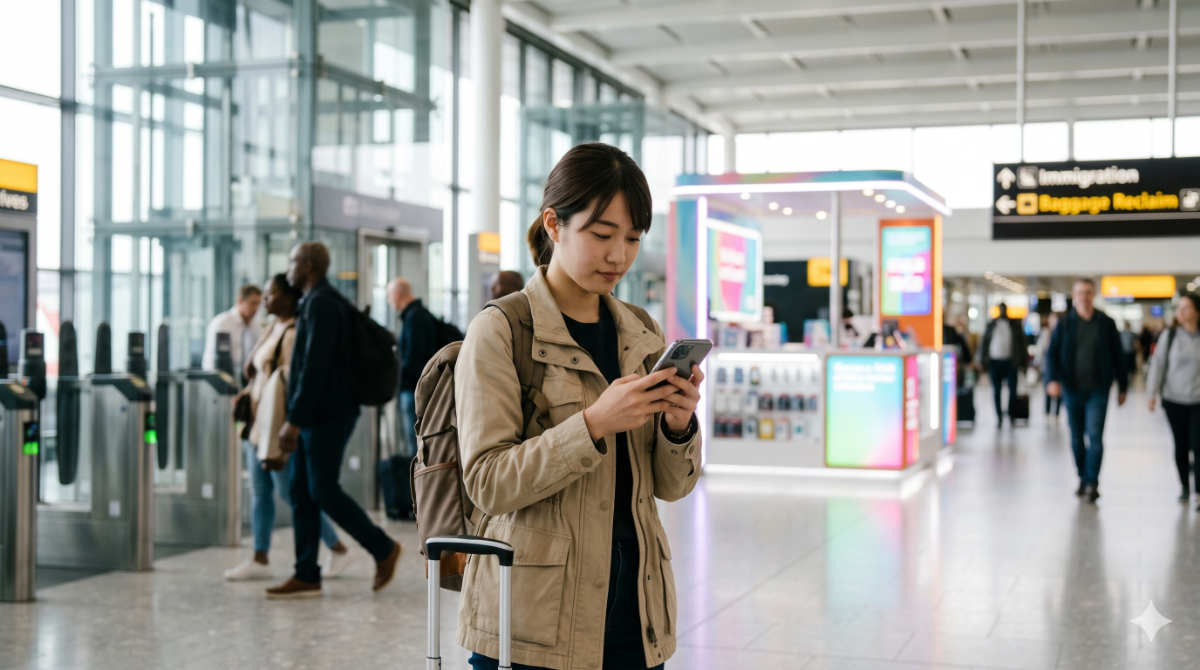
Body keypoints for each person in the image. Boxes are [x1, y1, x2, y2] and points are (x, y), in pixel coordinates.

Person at [454, 143, 703, 670]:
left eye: (633, 238)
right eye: (602, 234)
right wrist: (592, 425)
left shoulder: (641, 331)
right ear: (554, 224)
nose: (619, 256)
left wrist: (678, 427)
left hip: (637, 612)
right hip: (532, 622)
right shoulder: (501, 329)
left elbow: (671, 487)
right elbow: (487, 481)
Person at [266, 242, 401, 599]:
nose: (289, 267)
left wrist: (294, 419)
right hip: (318, 413)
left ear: (308, 266)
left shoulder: (322, 303)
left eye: (293, 261)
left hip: (327, 414)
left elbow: (315, 366)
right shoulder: (316, 301)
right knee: (301, 491)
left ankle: (383, 547)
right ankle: (307, 573)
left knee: (322, 488)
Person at [224, 274, 354, 581]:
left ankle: (337, 548)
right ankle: (260, 556)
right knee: (260, 490)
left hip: (276, 425)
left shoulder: (295, 332)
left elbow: (286, 383)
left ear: (287, 298)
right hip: (258, 423)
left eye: (270, 294)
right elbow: (259, 371)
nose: (264, 300)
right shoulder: (271, 327)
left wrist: (289, 425)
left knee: (289, 490)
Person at [1047, 278, 1129, 503]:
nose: (1084, 297)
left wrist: (1123, 386)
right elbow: (1051, 354)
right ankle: (1082, 477)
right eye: (1080, 293)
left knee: (1095, 436)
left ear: (1094, 295)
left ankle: (1092, 481)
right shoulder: (1065, 324)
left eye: (1088, 293)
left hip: (1098, 390)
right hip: (1071, 389)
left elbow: (1118, 356)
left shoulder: (1105, 323)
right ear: (1075, 296)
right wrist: (1051, 380)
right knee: (1076, 438)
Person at [1146, 293, 1200, 506]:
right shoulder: (1169, 336)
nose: (1181, 312)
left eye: (1186, 308)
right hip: (1174, 399)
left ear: (1197, 311)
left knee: (1198, 444)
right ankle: (1185, 486)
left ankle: (1198, 491)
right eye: (1180, 308)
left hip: (1198, 400)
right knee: (1181, 445)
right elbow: (1157, 365)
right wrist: (1151, 394)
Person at [387, 277, 440, 458]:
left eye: (389, 297)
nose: (389, 301)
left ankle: (415, 485)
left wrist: (398, 382)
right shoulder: (420, 315)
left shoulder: (414, 318)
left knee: (415, 449)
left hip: (414, 391)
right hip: (422, 390)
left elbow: (413, 358)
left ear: (397, 295)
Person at [980, 303, 1029, 427]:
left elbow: (1021, 344)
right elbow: (984, 343)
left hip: (1011, 362)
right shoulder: (991, 325)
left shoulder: (1015, 325)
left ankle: (1011, 414)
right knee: (996, 390)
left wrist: (1024, 363)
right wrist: (982, 361)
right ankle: (999, 416)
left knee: (1013, 389)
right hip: (994, 363)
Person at [201, 284, 263, 377]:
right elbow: (212, 360)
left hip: (248, 377)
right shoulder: (222, 323)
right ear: (240, 301)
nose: (256, 308)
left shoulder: (257, 326)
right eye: (253, 303)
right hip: (223, 377)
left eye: (258, 304)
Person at [1035, 313, 1062, 420]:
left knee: (1059, 390)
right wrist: (1037, 362)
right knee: (1047, 389)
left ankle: (1056, 414)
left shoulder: (1062, 332)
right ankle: (1047, 412)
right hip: (1046, 366)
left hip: (1060, 367)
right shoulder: (1046, 333)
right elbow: (1040, 349)